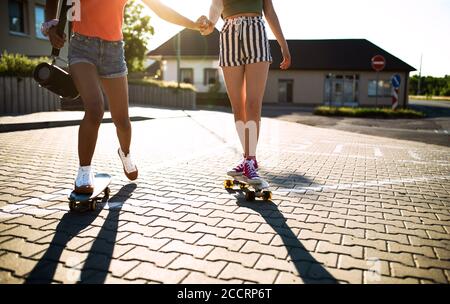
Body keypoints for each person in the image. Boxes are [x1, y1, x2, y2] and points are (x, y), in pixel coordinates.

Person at [42, 0, 206, 193]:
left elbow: (160, 9)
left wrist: (194, 25)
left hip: (114, 52)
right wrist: (51, 26)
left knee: (123, 121)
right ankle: (84, 171)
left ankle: (125, 153)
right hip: (82, 47)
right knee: (95, 109)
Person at [200, 0, 291, 184]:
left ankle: (250, 159)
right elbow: (216, 5)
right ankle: (247, 158)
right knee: (238, 107)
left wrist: (283, 44)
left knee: (252, 103)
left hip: (255, 32)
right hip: (228, 35)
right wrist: (211, 22)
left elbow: (269, 11)